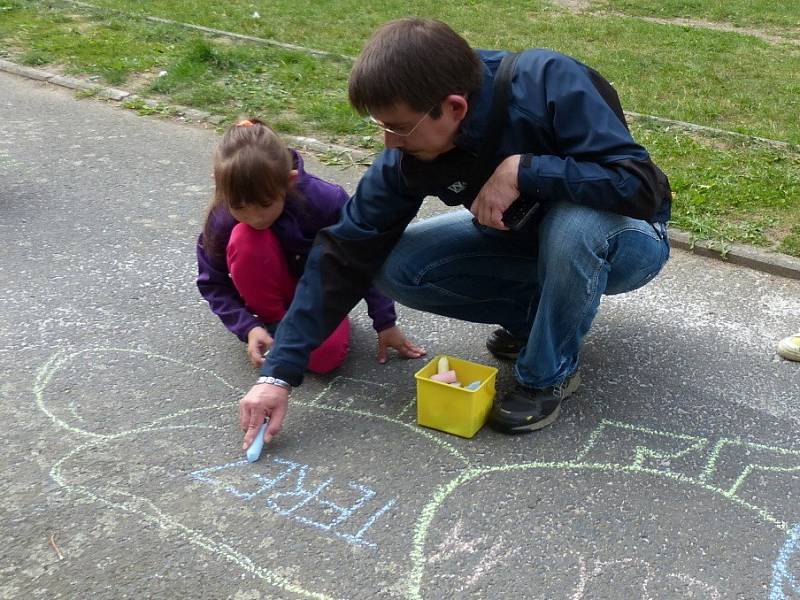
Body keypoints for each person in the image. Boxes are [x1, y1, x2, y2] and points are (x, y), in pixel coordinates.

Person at [238, 18, 672, 449]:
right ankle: (536, 324)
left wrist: (525, 170)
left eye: (399, 126)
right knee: (395, 266)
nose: (390, 141)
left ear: (454, 107)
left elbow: (639, 186)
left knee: (573, 226)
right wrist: (279, 372)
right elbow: (347, 248)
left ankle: (547, 376)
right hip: (527, 240)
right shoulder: (408, 153)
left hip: (627, 238)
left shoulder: (549, 82)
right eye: (381, 125)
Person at [196, 118, 424, 379]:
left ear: (289, 181)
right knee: (246, 236)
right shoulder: (223, 216)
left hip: (319, 292)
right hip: (269, 293)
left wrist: (385, 321)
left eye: (265, 204)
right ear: (220, 186)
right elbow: (212, 282)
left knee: (326, 358)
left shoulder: (325, 201)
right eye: (240, 207)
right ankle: (275, 324)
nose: (255, 217)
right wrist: (248, 327)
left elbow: (364, 255)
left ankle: (302, 329)